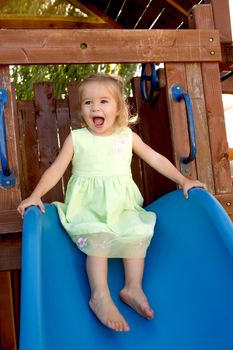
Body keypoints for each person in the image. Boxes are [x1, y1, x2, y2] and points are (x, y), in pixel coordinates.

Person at [17, 73, 206, 333]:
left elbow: (156, 159)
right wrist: (36, 194)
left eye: (104, 101)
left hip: (122, 207)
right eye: (88, 103)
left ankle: (133, 287)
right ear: (82, 110)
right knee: (98, 237)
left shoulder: (127, 137)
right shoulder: (78, 139)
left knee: (137, 233)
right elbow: (56, 170)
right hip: (88, 208)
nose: (95, 107)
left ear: (118, 108)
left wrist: (183, 180)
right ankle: (100, 295)